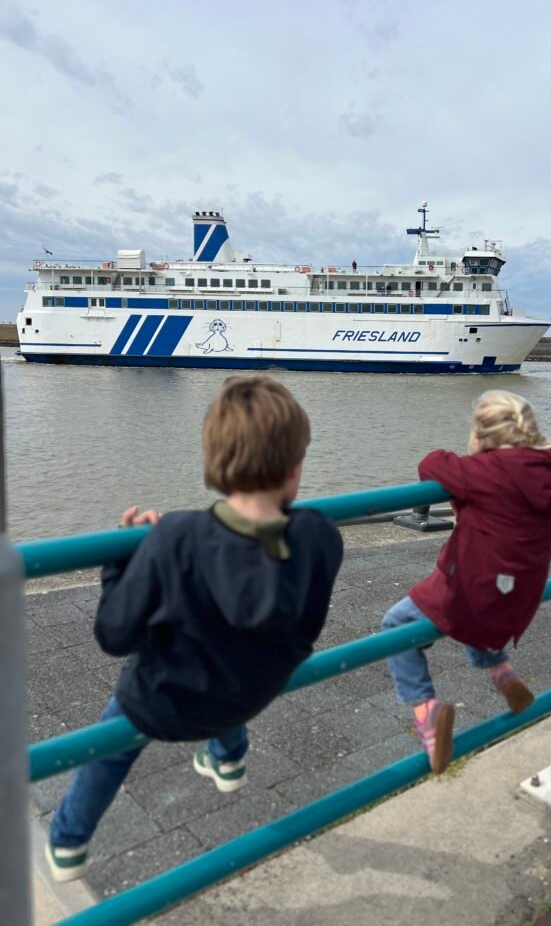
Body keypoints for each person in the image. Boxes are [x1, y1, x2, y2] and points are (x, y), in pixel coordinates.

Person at [46, 376, 343, 882]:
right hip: (252, 693)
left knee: (110, 743)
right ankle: (230, 757)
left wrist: (123, 559)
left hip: (161, 705)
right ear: (295, 471)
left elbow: (114, 636)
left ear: (214, 466)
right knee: (232, 655)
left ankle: (69, 841)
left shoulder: (175, 537)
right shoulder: (320, 535)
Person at [381, 391, 551, 774]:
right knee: (482, 615)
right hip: (519, 598)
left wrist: (472, 454)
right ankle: (502, 673)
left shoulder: (482, 472)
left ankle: (426, 711)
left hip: (474, 594)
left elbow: (430, 464)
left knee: (395, 625)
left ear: (482, 438)